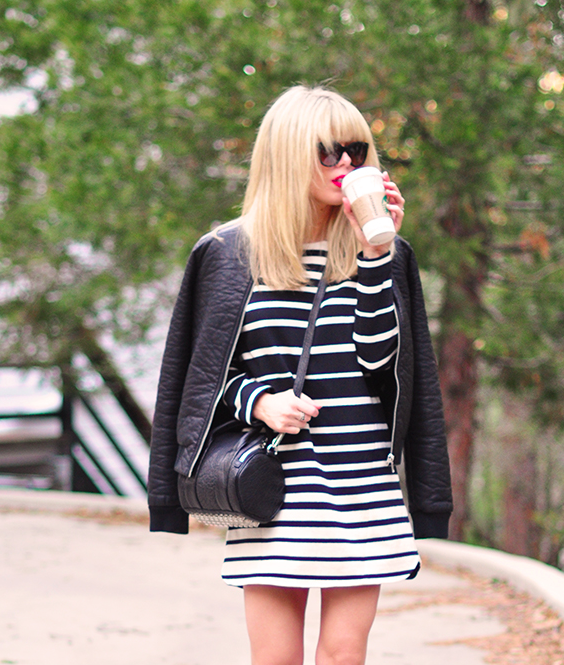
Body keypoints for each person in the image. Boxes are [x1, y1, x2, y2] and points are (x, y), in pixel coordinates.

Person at [148, 85, 452, 665]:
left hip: (362, 484)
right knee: (277, 659)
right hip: (274, 489)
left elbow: (382, 362)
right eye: (327, 152)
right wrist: (259, 402)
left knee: (343, 656)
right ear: (287, 154)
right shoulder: (229, 253)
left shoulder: (388, 254)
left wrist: (374, 256)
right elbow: (202, 376)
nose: (345, 165)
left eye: (356, 152)